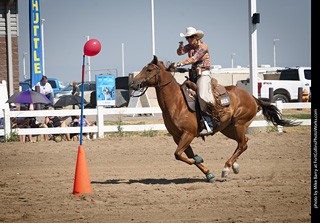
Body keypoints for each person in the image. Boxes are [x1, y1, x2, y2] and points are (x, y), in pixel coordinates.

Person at [173, 27, 214, 133]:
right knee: (180, 92)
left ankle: (209, 124)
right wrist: (180, 47)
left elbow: (193, 59)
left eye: (191, 37)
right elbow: (180, 53)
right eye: (187, 38)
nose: (189, 40)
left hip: (203, 75)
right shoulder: (189, 46)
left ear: (196, 37)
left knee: (202, 96)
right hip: (193, 76)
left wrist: (178, 64)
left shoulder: (203, 47)